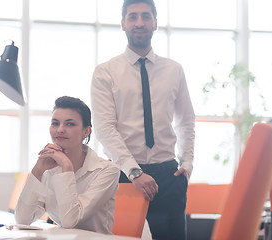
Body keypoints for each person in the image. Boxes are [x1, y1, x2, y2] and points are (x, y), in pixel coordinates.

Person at [91, 0, 195, 239]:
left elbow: (186, 121)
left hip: (169, 177)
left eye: (146, 16)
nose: (139, 23)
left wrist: (187, 163)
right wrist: (134, 172)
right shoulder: (105, 71)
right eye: (133, 17)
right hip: (124, 177)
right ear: (123, 24)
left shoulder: (174, 70)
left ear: (155, 23)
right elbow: (105, 129)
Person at [15, 96, 120, 234]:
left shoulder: (107, 171)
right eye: (55, 123)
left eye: (70, 124)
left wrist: (66, 166)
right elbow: (22, 220)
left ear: (86, 131)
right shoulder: (48, 169)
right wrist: (37, 170)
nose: (60, 130)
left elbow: (70, 221)